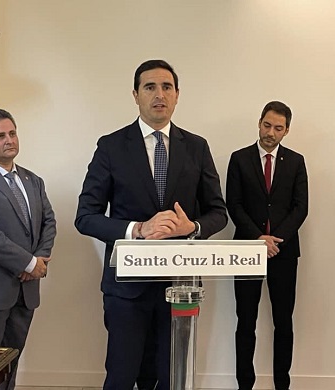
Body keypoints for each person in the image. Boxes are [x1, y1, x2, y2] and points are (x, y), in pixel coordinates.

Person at [75, 59, 227, 390]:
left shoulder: (197, 147)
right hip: (126, 289)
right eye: (150, 87)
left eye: (166, 87)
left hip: (179, 286)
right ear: (135, 94)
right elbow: (86, 216)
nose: (159, 94)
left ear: (177, 95)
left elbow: (218, 211)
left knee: (171, 377)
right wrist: (138, 229)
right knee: (121, 376)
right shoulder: (111, 146)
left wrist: (193, 228)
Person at [226, 101, 308, 390]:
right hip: (247, 250)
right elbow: (233, 205)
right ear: (259, 122)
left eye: (278, 128)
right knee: (245, 321)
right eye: (267, 125)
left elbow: (301, 208)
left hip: (284, 253)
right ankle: (244, 384)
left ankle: (281, 385)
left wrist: (275, 241)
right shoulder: (239, 159)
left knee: (283, 322)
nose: (270, 132)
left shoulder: (296, 161)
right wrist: (258, 238)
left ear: (287, 131)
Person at [0, 107, 56, 390]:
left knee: (11, 366)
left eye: (12, 133)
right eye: (0, 135)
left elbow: (49, 222)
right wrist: (27, 263)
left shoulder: (32, 180)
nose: (9, 140)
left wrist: (38, 260)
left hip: (26, 291)